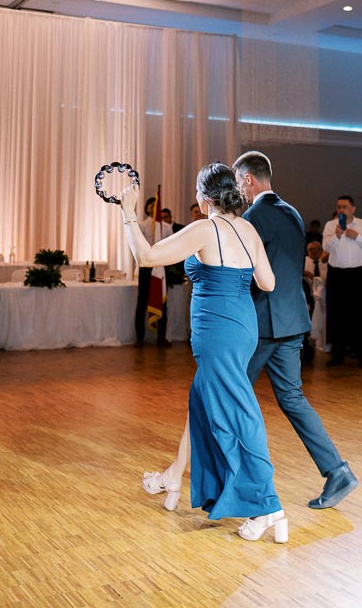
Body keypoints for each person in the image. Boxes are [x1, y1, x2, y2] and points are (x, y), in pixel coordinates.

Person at [121, 163, 287, 543]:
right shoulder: (248, 228)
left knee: (240, 415)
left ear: (204, 195)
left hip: (220, 334)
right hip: (244, 327)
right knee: (202, 403)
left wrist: (129, 214)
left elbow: (146, 257)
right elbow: (268, 282)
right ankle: (172, 478)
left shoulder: (204, 228)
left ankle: (268, 506)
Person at [235, 151, 358, 509]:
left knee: (229, 395)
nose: (240, 191)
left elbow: (254, 274)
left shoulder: (253, 217)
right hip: (292, 323)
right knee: (292, 400)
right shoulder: (293, 212)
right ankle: (337, 470)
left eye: (240, 182)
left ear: (248, 180)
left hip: (262, 324)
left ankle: (237, 482)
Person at [322, 195, 362, 368]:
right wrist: (337, 236)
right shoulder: (330, 226)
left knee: (361, 314)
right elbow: (326, 247)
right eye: (339, 206)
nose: (341, 209)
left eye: (345, 207)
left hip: (358, 274)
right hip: (337, 275)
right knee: (336, 314)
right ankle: (338, 354)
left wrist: (358, 237)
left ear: (353, 209)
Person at [133, 196, 176, 348]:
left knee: (162, 301)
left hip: (161, 266)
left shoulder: (166, 226)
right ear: (146, 208)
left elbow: (171, 245)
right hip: (146, 268)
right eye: (150, 205)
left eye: (155, 204)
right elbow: (139, 246)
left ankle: (161, 337)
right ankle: (139, 338)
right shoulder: (142, 225)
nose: (152, 207)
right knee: (142, 302)